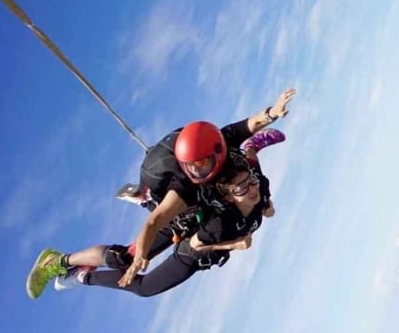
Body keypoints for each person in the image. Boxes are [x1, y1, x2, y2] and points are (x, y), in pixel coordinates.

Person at [26, 150, 275, 299]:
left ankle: (146, 199)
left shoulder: (259, 187)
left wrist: (266, 207)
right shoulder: (222, 225)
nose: (251, 189)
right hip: (190, 247)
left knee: (132, 254)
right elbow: (195, 244)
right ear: (231, 195)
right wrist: (236, 244)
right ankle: (66, 267)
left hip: (186, 223)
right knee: (136, 278)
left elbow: (253, 161)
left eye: (251, 183)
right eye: (242, 188)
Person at [117, 87, 293, 289]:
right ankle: (145, 199)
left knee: (257, 190)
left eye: (200, 164)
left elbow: (251, 123)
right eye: (190, 165)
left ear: (215, 152)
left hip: (229, 185)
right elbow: (155, 220)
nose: (196, 171)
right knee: (262, 205)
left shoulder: (224, 140)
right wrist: (140, 255)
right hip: (195, 204)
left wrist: (273, 112)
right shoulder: (187, 182)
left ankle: (252, 147)